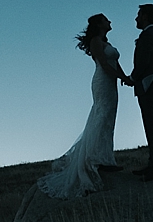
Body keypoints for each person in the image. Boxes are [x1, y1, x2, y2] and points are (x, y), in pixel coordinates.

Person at [37, 13, 133, 199]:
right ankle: (94, 159)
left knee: (108, 118)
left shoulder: (106, 42)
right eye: (106, 20)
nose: (110, 21)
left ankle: (105, 158)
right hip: (103, 82)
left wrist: (126, 78)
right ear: (99, 24)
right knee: (101, 116)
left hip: (111, 83)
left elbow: (115, 63)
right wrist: (122, 78)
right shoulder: (96, 42)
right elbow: (104, 65)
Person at [129, 3, 153, 181]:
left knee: (152, 125)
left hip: (149, 85)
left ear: (145, 16)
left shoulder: (147, 35)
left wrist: (132, 78)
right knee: (152, 124)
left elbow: (143, 63)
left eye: (138, 15)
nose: (136, 18)